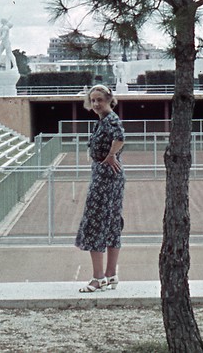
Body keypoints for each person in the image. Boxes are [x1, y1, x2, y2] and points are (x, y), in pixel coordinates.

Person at [75, 84, 126, 292]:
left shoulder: (111, 119)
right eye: (93, 100)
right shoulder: (104, 120)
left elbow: (120, 137)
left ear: (109, 100)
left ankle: (98, 278)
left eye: (100, 100)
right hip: (108, 177)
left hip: (105, 178)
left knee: (95, 222)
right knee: (112, 223)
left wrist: (112, 155)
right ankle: (111, 275)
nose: (96, 104)